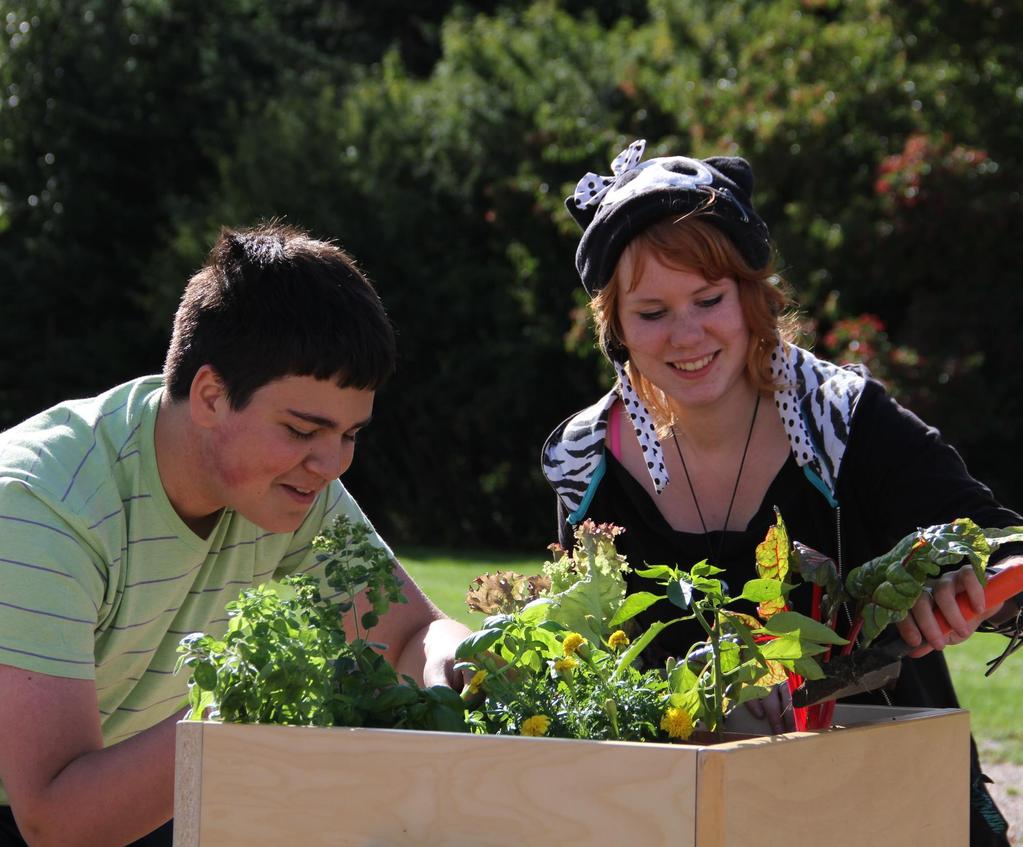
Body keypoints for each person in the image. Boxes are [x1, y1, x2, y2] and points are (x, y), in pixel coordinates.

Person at [541, 140, 1023, 846]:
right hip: (686, 818)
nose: (686, 334)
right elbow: (590, 673)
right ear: (613, 326)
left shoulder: (846, 420)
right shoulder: (583, 462)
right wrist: (699, 697)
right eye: (651, 312)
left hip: (889, 806)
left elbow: (1002, 548)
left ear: (751, 294)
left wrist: (966, 586)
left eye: (708, 298)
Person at [0, 223, 470, 846]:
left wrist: (462, 662)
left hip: (129, 796)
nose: (332, 465)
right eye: (303, 430)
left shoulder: (293, 488)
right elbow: (56, 821)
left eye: (350, 435)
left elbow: (410, 634)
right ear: (211, 396)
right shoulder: (41, 504)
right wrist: (249, 710)